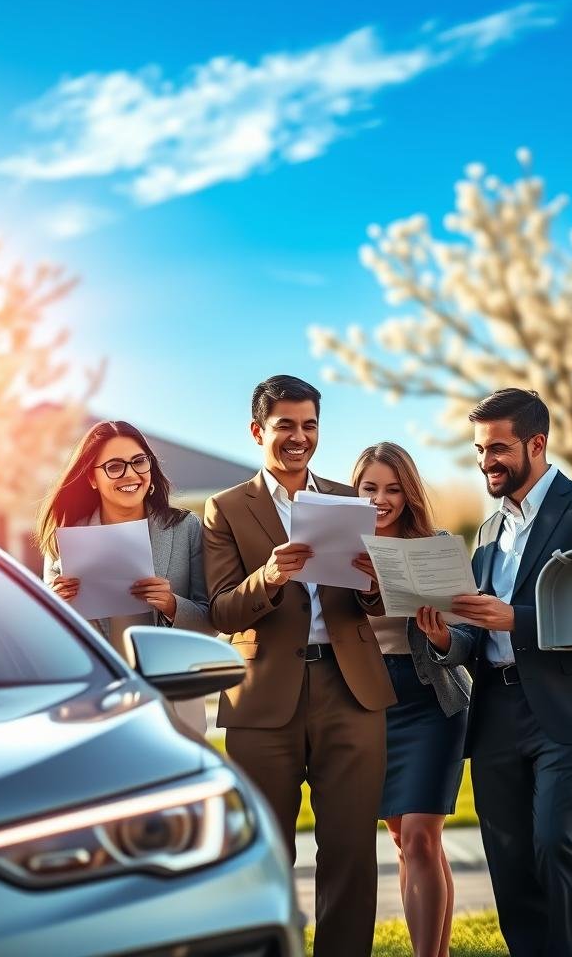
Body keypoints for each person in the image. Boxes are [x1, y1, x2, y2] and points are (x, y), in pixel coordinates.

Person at [429, 388, 572, 957]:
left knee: (554, 844)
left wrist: (517, 619)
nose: (486, 461)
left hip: (570, 709)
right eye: (479, 450)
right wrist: (446, 637)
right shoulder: (486, 533)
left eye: (498, 448)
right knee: (509, 859)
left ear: (536, 444)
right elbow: (479, 633)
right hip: (496, 712)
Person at [202, 375, 395, 957]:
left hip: (350, 689)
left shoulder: (348, 499)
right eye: (285, 425)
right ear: (257, 431)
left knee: (351, 851)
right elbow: (220, 609)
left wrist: (373, 581)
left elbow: (377, 605)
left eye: (309, 425)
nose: (299, 437)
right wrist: (270, 576)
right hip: (263, 697)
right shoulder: (225, 508)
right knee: (264, 851)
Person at [351, 442, 472, 957]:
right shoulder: (343, 550)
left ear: (409, 494)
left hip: (430, 699)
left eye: (393, 489)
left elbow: (467, 636)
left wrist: (442, 636)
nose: (381, 499)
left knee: (422, 836)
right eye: (370, 488)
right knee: (405, 840)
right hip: (369, 701)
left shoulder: (435, 547)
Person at [36, 419, 212, 735]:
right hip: (96, 704)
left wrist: (172, 605)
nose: (131, 474)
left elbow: (210, 621)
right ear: (92, 478)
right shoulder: (65, 538)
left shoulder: (185, 528)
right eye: (114, 466)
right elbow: (46, 639)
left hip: (171, 702)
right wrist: (55, 606)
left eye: (139, 461)